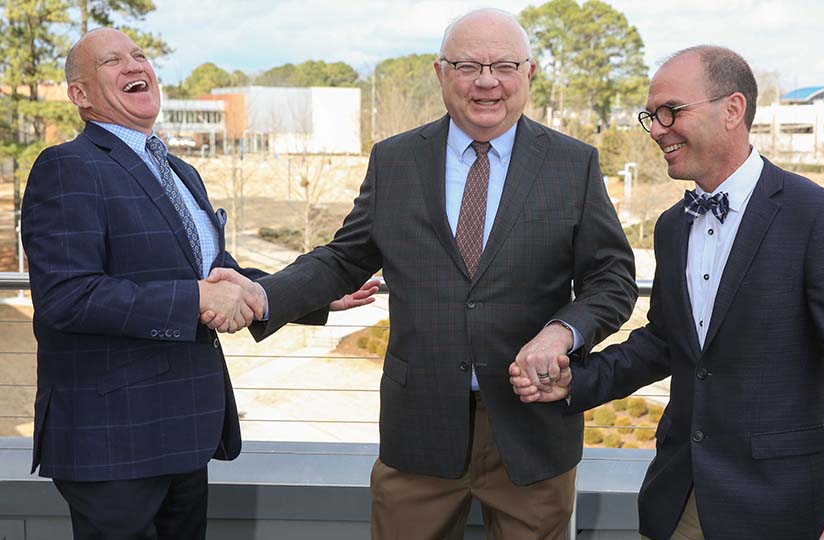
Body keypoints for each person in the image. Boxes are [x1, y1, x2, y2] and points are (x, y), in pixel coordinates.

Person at [211, 8, 637, 539]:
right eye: (467, 65)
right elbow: (343, 259)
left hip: (533, 431)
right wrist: (261, 294)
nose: (487, 81)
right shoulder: (395, 161)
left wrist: (563, 331)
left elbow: (612, 280)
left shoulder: (573, 164)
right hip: (418, 433)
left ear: (528, 74)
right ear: (440, 73)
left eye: (504, 65)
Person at [511, 46, 824, 540]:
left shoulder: (820, 219)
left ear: (732, 109)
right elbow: (666, 342)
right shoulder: (673, 226)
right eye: (652, 116)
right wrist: (577, 382)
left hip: (784, 507)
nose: (658, 129)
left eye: (672, 111)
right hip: (680, 496)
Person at [22, 28, 375, 540]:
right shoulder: (67, 167)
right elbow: (66, 298)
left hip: (185, 430)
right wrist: (195, 299)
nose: (134, 65)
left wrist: (308, 296)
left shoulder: (180, 171)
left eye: (139, 55)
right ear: (80, 95)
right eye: (111, 61)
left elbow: (217, 276)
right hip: (113, 440)